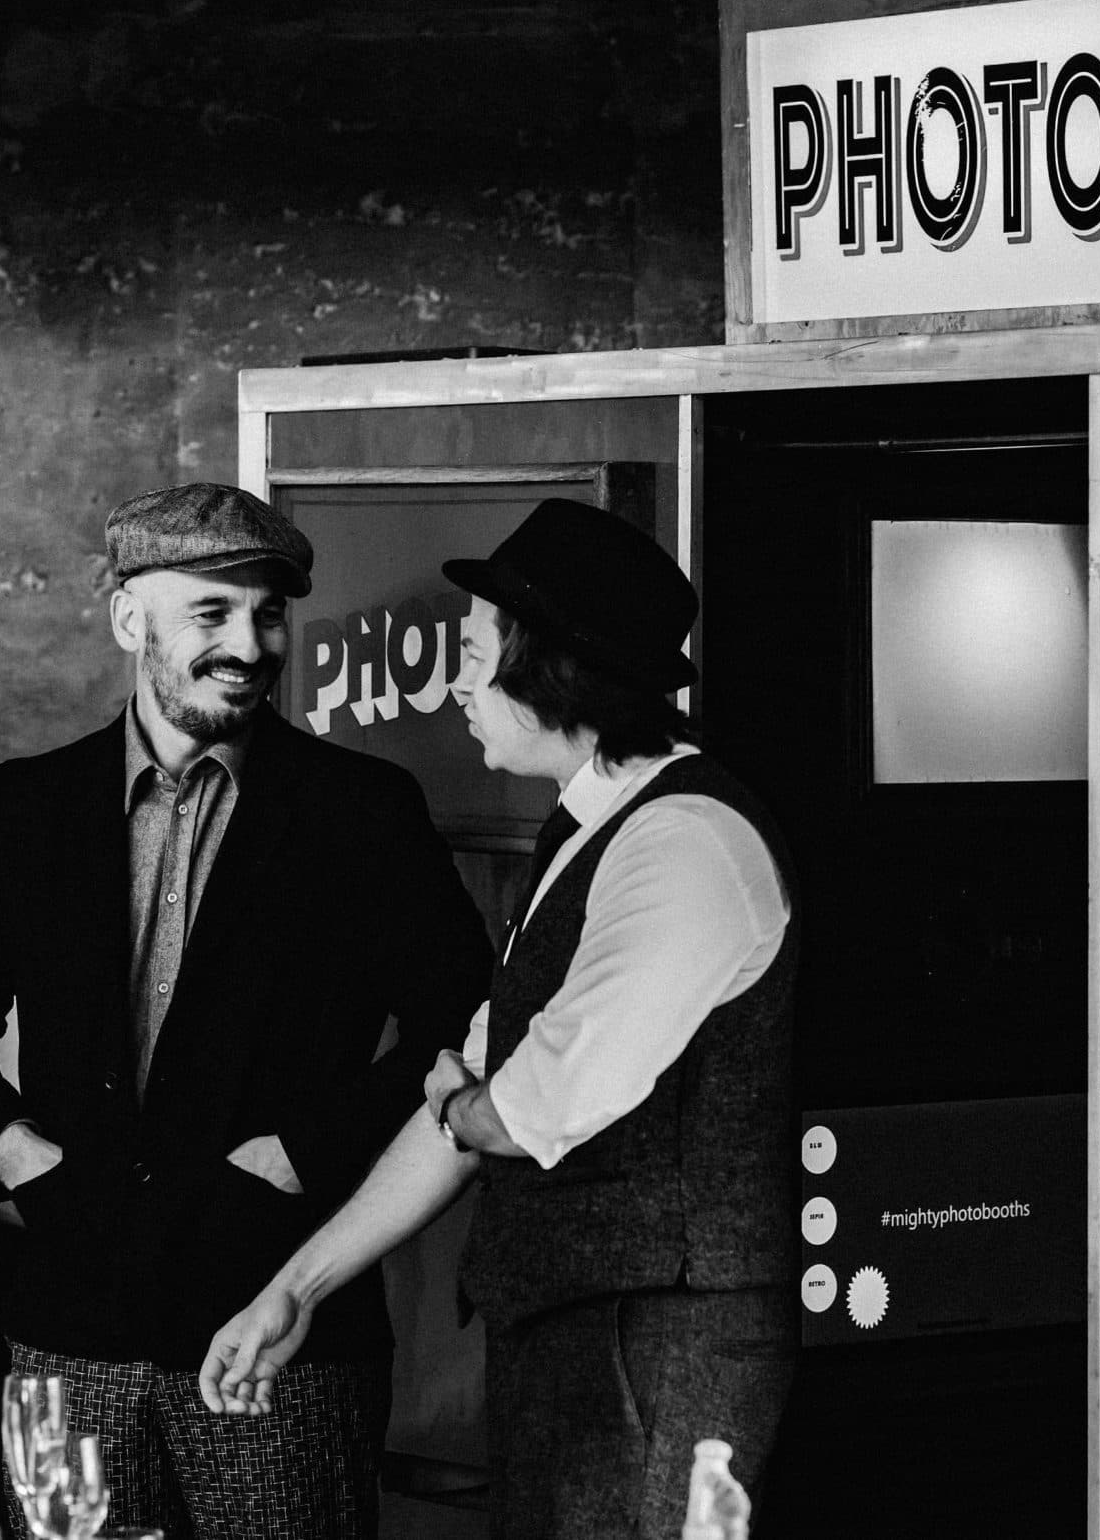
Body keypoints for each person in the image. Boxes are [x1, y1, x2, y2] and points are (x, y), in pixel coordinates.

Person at [0, 481, 492, 1540]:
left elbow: (465, 1027)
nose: (249, 645)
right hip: (67, 1327)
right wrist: (19, 1155)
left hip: (280, 1334)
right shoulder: (26, 806)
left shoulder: (362, 812)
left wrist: (299, 1153)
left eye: (268, 614)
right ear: (131, 619)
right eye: (211, 612)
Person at [198, 498, 800, 1540]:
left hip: (660, 1343)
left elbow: (525, 1109)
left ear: (548, 669)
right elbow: (471, 1097)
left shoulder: (686, 841)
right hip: (573, 1335)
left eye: (475, 656)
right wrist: (295, 1289)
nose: (456, 686)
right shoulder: (586, 828)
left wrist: (461, 1100)